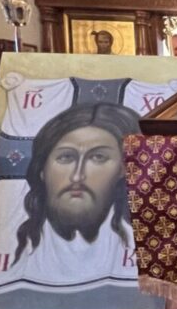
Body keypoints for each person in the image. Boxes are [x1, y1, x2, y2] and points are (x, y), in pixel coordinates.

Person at [11, 101, 140, 281]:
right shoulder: (7, 240)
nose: (77, 176)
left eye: (98, 157)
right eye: (65, 157)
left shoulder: (145, 244)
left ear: (123, 170)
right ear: (42, 169)